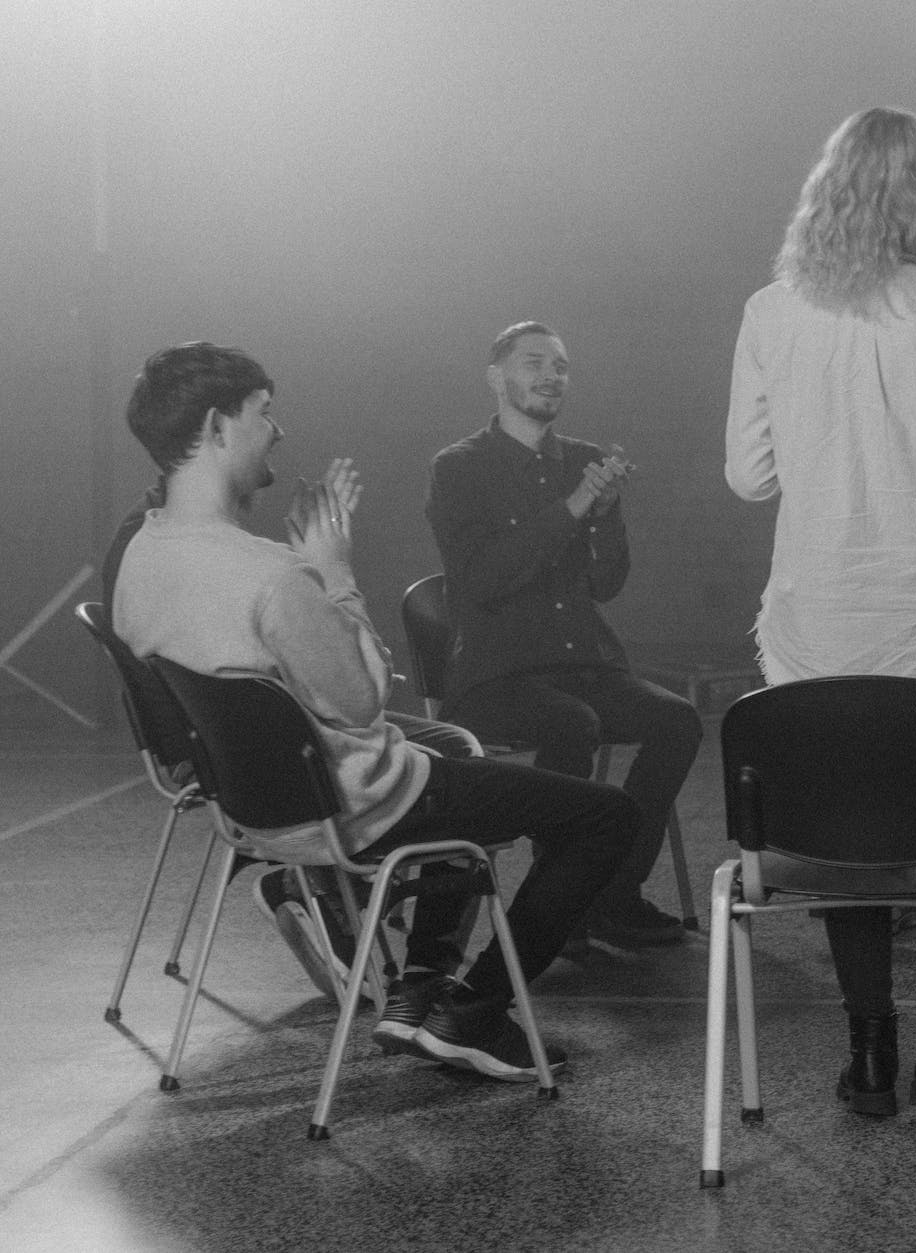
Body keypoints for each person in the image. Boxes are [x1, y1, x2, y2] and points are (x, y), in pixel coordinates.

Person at [113, 341, 641, 1080]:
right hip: (361, 802)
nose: (279, 430)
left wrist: (300, 570)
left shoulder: (139, 553)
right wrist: (332, 571)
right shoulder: (270, 578)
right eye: (264, 413)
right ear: (217, 426)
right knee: (605, 816)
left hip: (253, 804)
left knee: (457, 746)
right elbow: (363, 704)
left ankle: (417, 985)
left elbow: (243, 651)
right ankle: (476, 1009)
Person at [725, 107, 916, 1116]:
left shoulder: (770, 311)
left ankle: (867, 1051)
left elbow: (748, 477)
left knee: (848, 827)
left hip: (816, 626)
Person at [102, 484, 481, 1002]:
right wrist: (329, 577)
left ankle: (339, 896)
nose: (273, 435)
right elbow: (346, 691)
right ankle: (414, 960)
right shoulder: (173, 542)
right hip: (227, 745)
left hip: (213, 733)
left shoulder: (156, 533)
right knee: (452, 763)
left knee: (447, 742)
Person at [426, 322, 703, 953]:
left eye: (561, 366)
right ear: (497, 378)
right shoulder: (458, 467)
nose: (552, 376)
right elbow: (482, 580)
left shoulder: (582, 459)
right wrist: (575, 507)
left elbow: (606, 584)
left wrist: (605, 519)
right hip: (497, 676)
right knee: (570, 724)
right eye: (534, 363)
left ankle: (611, 892)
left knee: (676, 721)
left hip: (584, 664)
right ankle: (558, 907)